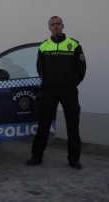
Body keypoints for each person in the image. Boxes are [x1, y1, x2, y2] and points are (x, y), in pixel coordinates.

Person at [27, 16, 86, 169]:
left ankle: (74, 159)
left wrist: (72, 83)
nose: (55, 27)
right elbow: (40, 69)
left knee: (73, 125)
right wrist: (48, 83)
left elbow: (81, 69)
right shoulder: (44, 46)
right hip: (50, 90)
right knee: (44, 123)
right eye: (52, 25)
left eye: (58, 24)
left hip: (69, 90)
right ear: (49, 28)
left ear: (63, 26)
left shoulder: (74, 45)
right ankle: (37, 156)